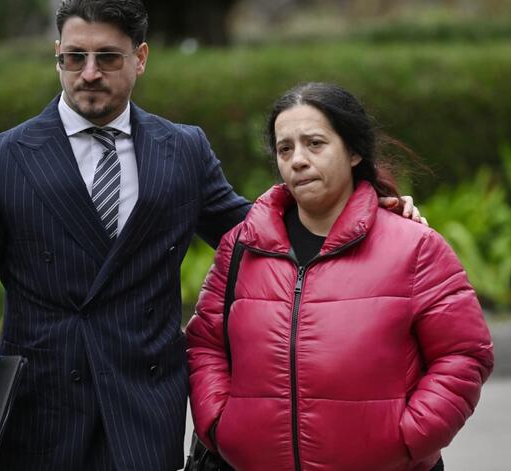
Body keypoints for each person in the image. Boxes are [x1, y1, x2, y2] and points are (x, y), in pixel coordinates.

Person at [0, 2, 424, 470]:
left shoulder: (181, 149)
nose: (89, 73)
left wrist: (364, 213)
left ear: (140, 58)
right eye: (75, 57)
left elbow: (258, 236)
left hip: (143, 410)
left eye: (108, 57)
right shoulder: (0, 161)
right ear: (58, 54)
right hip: (40, 416)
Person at [186, 82, 494, 471]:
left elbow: (463, 354)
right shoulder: (242, 246)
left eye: (315, 144)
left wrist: (409, 438)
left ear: (353, 152)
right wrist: (220, 425)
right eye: (285, 149)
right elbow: (206, 344)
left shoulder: (415, 246)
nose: (298, 160)